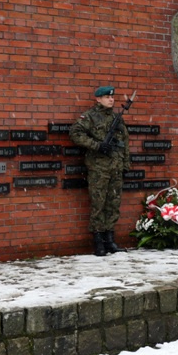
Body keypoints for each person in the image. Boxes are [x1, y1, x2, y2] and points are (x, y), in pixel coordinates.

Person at [70, 85, 130, 256]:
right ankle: (98, 242)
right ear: (98, 99)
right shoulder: (90, 116)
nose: (111, 99)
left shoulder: (116, 118)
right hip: (99, 168)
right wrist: (97, 146)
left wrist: (125, 164)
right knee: (98, 204)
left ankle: (110, 240)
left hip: (115, 168)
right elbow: (75, 133)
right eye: (106, 97)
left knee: (113, 204)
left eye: (112, 97)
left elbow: (124, 142)